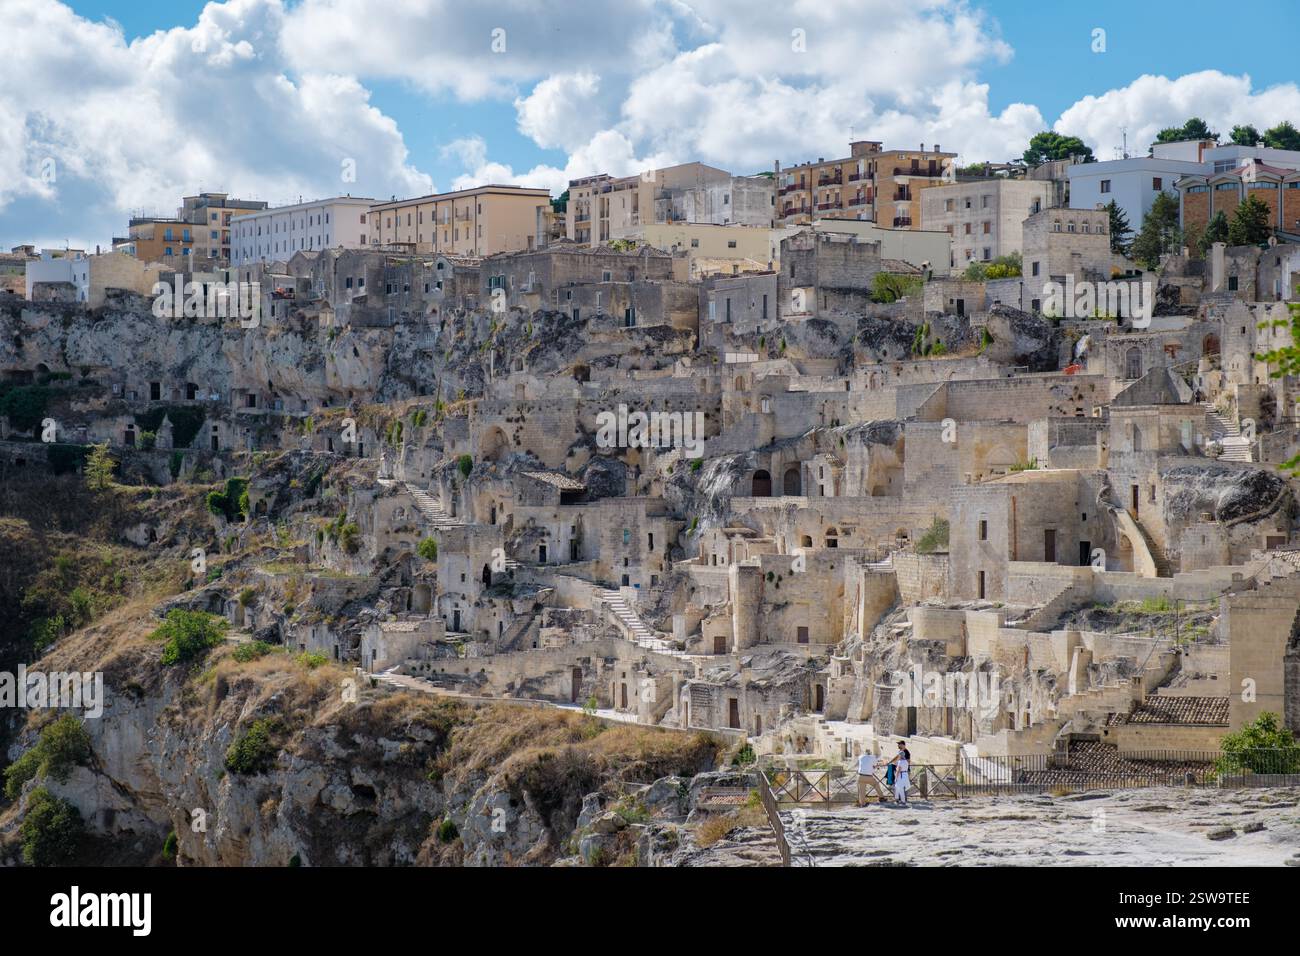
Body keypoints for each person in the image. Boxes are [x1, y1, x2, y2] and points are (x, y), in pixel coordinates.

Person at [885, 740, 911, 805]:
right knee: (899, 787)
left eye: (899, 744)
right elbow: (896, 758)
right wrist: (890, 762)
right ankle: (899, 799)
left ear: (903, 745)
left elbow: (907, 762)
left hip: (902, 772)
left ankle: (903, 800)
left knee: (901, 787)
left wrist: (898, 765)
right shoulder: (901, 752)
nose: (898, 745)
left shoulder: (906, 752)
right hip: (902, 772)